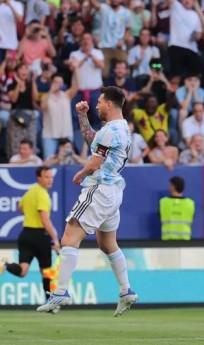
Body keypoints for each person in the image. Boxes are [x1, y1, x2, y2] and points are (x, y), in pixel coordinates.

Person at [37, 86, 138, 316]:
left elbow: (94, 162)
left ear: (110, 104)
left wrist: (81, 173)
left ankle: (60, 291)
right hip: (114, 192)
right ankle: (126, 290)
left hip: (99, 189)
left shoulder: (110, 130)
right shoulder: (121, 129)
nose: (97, 105)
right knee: (107, 244)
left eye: (100, 102)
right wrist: (82, 116)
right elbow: (95, 141)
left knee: (69, 237)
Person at [0, 166, 61, 312]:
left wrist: (30, 215)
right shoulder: (43, 194)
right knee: (46, 272)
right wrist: (55, 239)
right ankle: (50, 304)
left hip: (25, 235)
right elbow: (44, 219)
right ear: (39, 178)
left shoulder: (30, 191)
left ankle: (6, 264)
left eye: (51, 177)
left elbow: (20, 207)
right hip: (40, 236)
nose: (50, 180)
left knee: (23, 271)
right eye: (46, 177)